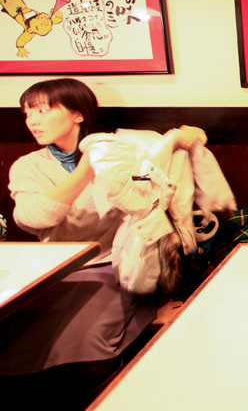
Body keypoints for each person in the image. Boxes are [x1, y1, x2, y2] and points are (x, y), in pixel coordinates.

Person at [0, 78, 209, 409]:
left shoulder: (120, 154)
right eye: (27, 113)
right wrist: (86, 168)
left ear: (77, 114)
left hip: (118, 265)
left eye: (42, 110)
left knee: (87, 345)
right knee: (16, 344)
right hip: (53, 273)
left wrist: (187, 135)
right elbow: (34, 218)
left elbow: (170, 149)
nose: (32, 121)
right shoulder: (28, 166)